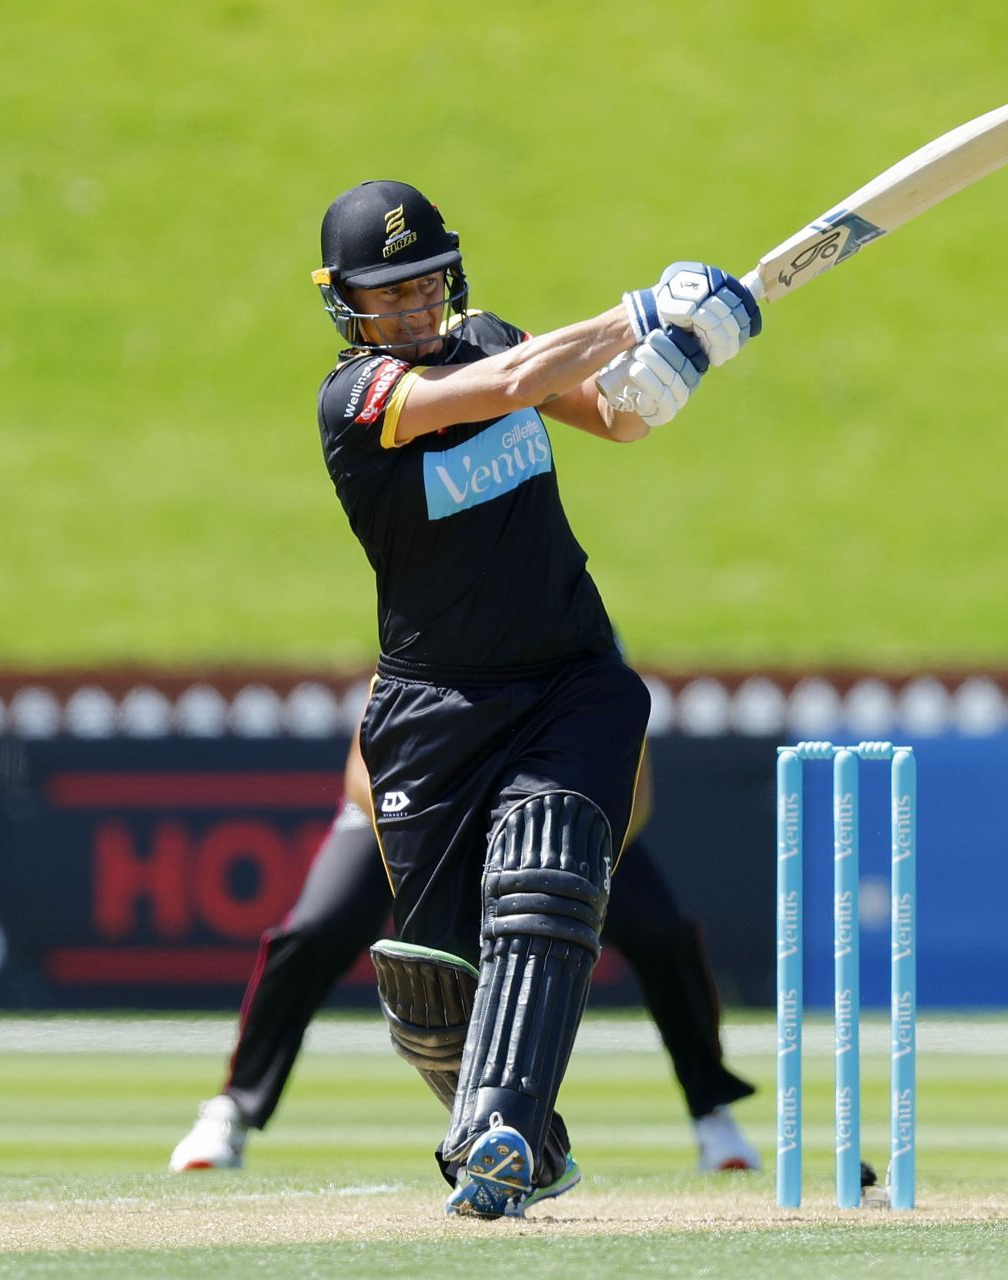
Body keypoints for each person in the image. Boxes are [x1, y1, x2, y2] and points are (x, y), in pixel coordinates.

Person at [295, 178, 759, 1217]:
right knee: (427, 982)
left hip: (567, 678)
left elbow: (613, 418)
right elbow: (501, 388)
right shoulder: (358, 398)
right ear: (345, 305)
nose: (412, 310)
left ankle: (495, 1126)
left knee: (543, 866)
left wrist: (678, 363)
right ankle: (529, 1144)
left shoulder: (488, 337)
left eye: (424, 286)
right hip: (432, 710)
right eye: (387, 295)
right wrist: (635, 314)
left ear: (449, 275)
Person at [168, 734, 760, 1175]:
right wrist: (441, 859)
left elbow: (636, 791)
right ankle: (231, 1113)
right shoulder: (439, 607)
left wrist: (555, 860)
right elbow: (363, 772)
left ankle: (714, 1117)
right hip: (405, 818)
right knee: (317, 928)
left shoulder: (581, 623)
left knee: (663, 932)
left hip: (537, 817)